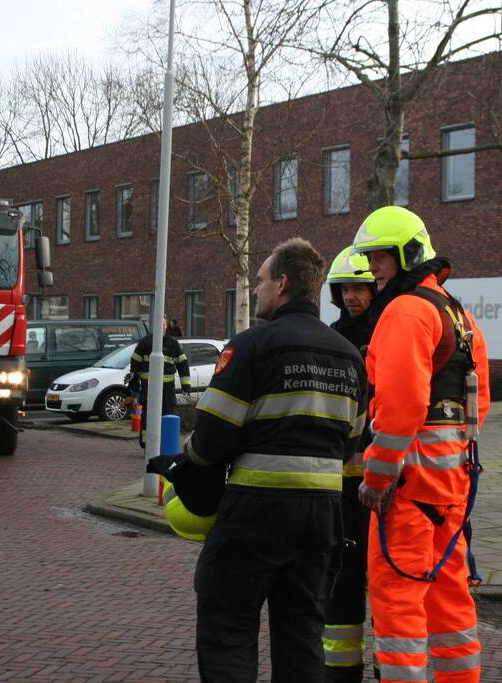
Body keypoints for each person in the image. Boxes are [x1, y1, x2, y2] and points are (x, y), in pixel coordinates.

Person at [186, 237, 368, 683]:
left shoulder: (252, 345)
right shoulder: (349, 357)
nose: (257, 288)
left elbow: (211, 438)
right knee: (302, 634)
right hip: (323, 520)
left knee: (229, 626)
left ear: (283, 283)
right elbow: (353, 443)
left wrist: (184, 464)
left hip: (256, 511)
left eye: (261, 280)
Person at [352, 206, 491, 683]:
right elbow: (481, 403)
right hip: (452, 486)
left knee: (397, 602)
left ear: (405, 256)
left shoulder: (406, 310)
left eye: (378, 260)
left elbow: (401, 404)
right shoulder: (459, 313)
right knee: (449, 597)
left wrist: (378, 475)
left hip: (407, 489)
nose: (373, 271)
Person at [322, 247, 377, 682]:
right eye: (346, 289)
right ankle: (341, 672)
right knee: (340, 577)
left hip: (382, 479)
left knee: (386, 584)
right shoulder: (332, 335)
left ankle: (392, 665)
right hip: (340, 481)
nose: (353, 296)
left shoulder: (389, 328)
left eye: (361, 287)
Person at [128, 318, 191, 448]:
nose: (161, 328)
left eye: (163, 325)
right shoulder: (145, 343)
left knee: (167, 414)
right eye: (159, 325)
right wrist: (134, 382)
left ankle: (164, 442)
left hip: (167, 388)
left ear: (166, 327)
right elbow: (135, 363)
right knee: (147, 416)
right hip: (148, 387)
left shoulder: (172, 343)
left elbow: (183, 363)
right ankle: (146, 443)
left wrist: (186, 385)